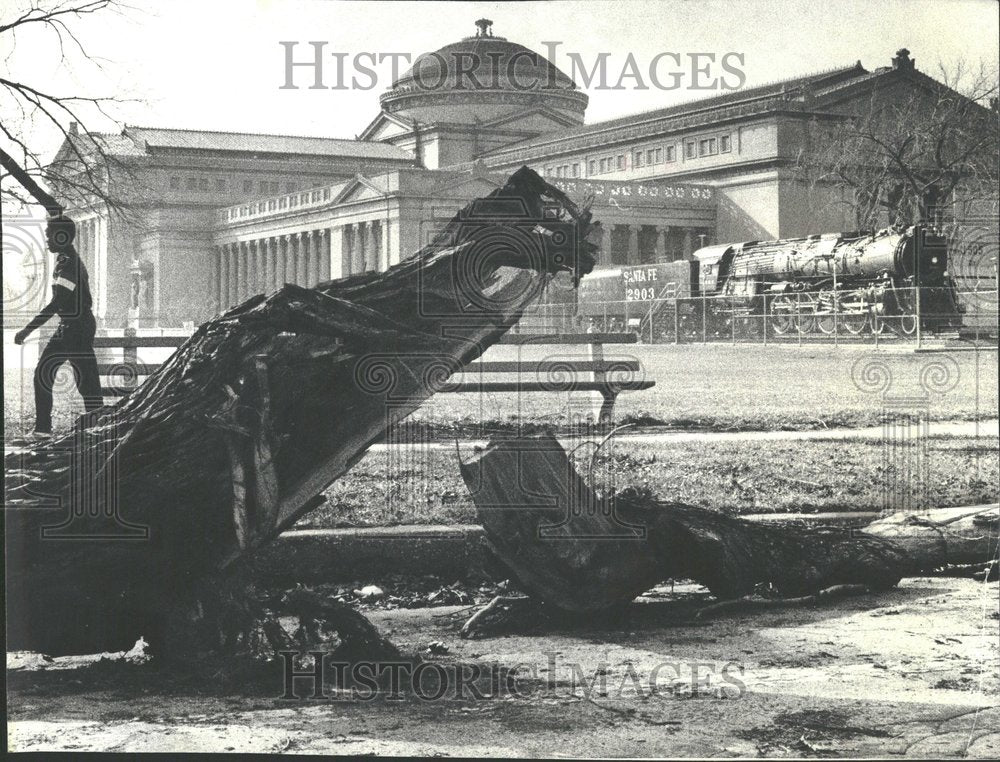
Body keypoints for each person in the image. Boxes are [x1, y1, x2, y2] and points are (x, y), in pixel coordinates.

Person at [14, 215, 102, 437]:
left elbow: (57, 302)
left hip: (75, 326)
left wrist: (27, 329)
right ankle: (97, 425)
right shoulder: (67, 260)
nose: (46, 239)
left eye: (49, 234)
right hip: (76, 325)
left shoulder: (69, 264)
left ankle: (44, 430)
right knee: (85, 379)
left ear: (61, 236)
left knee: (47, 373)